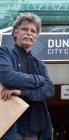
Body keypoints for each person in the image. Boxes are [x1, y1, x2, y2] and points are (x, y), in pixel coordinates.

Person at [0, 12, 55, 140]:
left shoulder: (40, 64)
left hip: (36, 131)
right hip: (12, 129)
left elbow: (49, 89)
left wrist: (21, 92)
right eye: (25, 29)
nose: (29, 33)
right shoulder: (5, 52)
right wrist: (38, 80)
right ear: (15, 33)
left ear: (35, 37)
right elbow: (8, 77)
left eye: (33, 31)